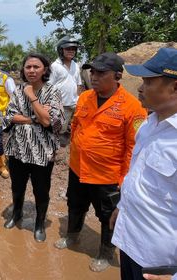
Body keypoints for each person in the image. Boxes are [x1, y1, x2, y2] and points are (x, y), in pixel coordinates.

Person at [54, 52, 147, 272]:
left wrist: (123, 180)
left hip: (107, 176)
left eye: (100, 73)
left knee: (107, 216)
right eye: (92, 72)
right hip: (78, 169)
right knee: (75, 205)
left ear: (117, 76)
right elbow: (75, 126)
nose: (93, 77)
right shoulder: (85, 97)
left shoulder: (132, 107)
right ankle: (72, 235)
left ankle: (105, 252)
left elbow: (132, 149)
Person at [110, 48, 177, 280]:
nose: (139, 88)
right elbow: (138, 174)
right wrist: (122, 206)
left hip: (160, 265)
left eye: (148, 82)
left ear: (175, 88)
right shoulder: (149, 123)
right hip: (130, 243)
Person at [2, 53, 64, 242]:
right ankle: (17, 214)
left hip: (42, 152)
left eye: (36, 67)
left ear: (44, 70)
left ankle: (39, 224)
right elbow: (9, 116)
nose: (31, 70)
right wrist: (35, 117)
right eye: (28, 67)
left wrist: (31, 98)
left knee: (41, 191)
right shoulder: (17, 91)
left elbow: (50, 121)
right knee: (17, 187)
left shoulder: (52, 92)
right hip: (17, 150)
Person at [49, 35, 83, 146]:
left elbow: (78, 84)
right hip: (61, 105)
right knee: (60, 129)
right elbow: (49, 86)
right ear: (61, 50)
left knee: (77, 128)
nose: (71, 51)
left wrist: (78, 98)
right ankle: (57, 148)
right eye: (68, 49)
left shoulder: (76, 65)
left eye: (73, 49)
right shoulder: (55, 66)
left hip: (75, 103)